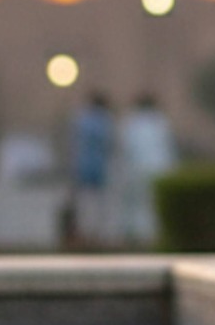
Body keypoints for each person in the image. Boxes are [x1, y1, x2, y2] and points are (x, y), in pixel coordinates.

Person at [115, 93, 177, 248]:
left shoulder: (130, 123)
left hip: (137, 170)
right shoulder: (161, 122)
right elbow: (168, 148)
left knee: (137, 205)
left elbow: (124, 149)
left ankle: (139, 237)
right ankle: (151, 237)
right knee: (153, 206)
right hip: (159, 169)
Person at [68, 91, 119, 248]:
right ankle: (97, 235)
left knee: (85, 204)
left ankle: (86, 234)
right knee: (99, 204)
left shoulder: (82, 119)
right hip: (99, 167)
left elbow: (74, 143)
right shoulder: (105, 121)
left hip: (82, 167)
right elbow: (111, 144)